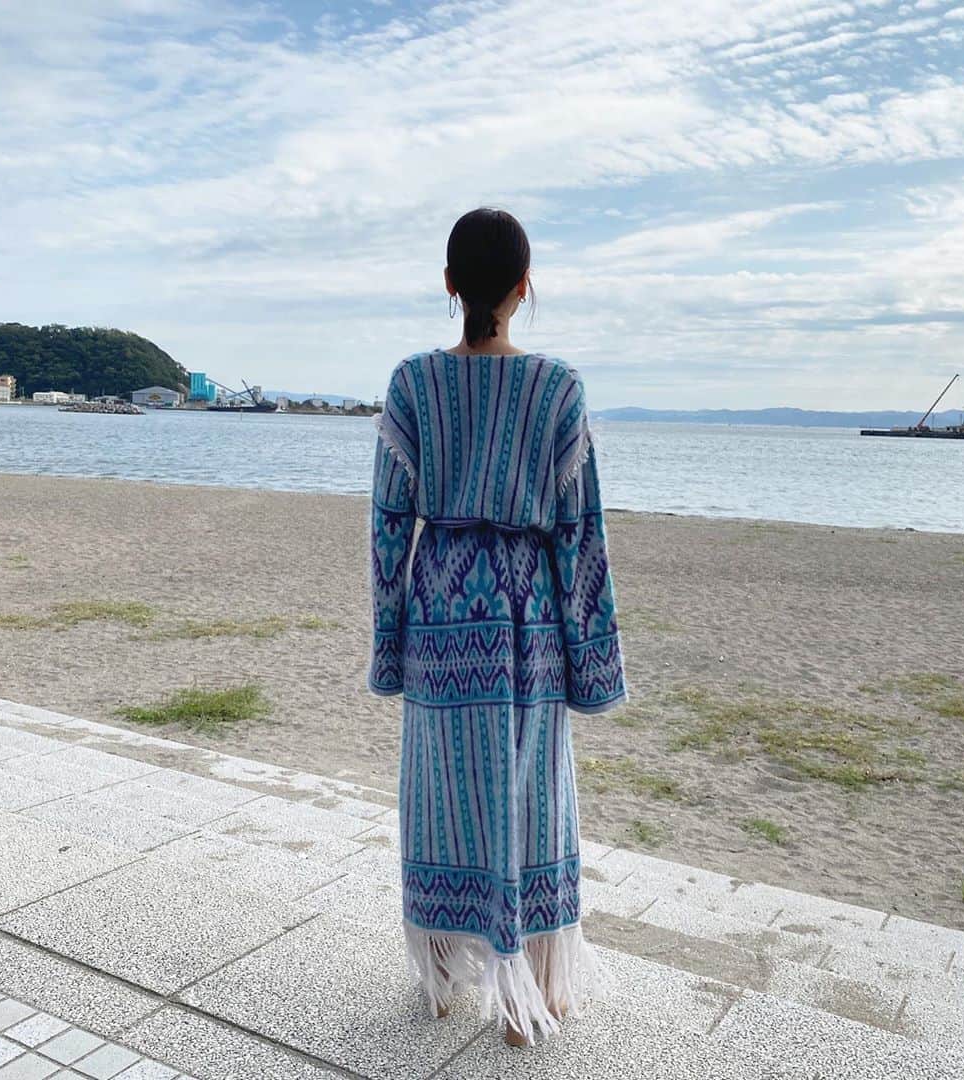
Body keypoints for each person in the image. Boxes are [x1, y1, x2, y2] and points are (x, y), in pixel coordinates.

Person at [368, 207, 627, 1047]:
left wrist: (389, 645)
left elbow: (388, 526)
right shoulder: (557, 388)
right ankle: (534, 997)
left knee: (442, 794)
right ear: (525, 285)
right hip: (527, 619)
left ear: (449, 284)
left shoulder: (413, 383)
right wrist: (593, 666)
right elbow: (581, 534)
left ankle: (442, 975)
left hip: (442, 610)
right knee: (534, 797)